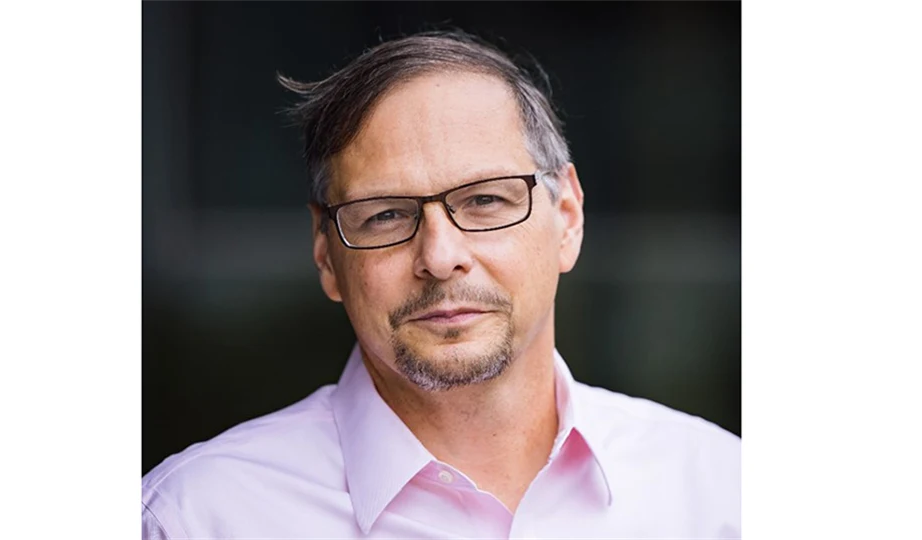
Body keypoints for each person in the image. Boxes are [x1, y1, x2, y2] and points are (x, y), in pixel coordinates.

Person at [142, 30, 740, 539]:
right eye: (385, 214)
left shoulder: (721, 496)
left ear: (568, 218)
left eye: (484, 200)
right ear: (326, 253)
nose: (440, 256)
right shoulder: (194, 519)